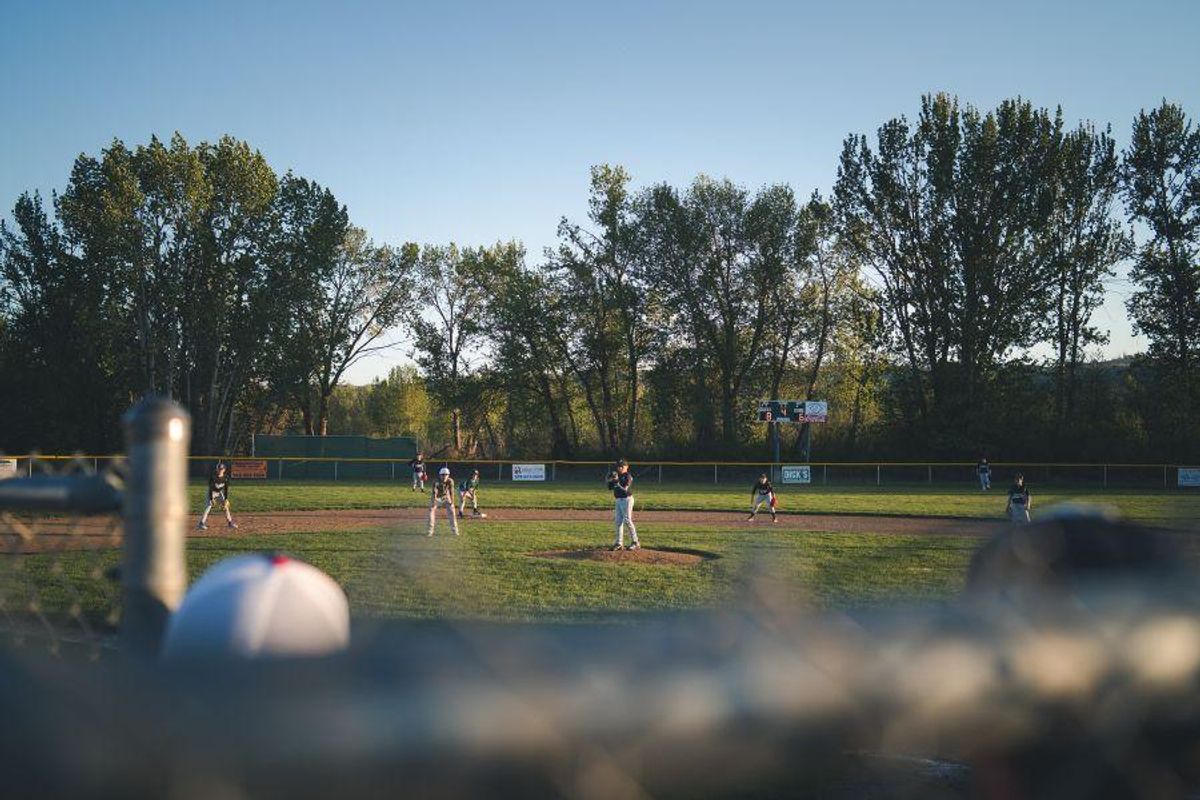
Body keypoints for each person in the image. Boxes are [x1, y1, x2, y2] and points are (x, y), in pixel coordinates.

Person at [606, 459, 640, 551]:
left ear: (626, 467)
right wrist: (610, 480)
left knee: (627, 520)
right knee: (618, 522)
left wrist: (617, 481)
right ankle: (619, 543)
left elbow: (625, 489)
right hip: (618, 500)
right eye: (618, 466)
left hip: (627, 499)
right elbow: (609, 487)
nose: (619, 468)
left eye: (622, 466)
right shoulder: (616, 475)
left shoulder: (628, 476)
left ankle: (635, 542)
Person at [198, 461, 238, 531]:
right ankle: (201, 523)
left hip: (219, 492)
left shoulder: (226, 477)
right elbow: (210, 488)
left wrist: (226, 499)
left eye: (221, 469)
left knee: (226, 507)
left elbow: (226, 489)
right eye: (219, 469)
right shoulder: (213, 477)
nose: (220, 470)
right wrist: (211, 498)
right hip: (211, 492)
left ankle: (230, 522)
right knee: (208, 506)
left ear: (224, 470)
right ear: (217, 469)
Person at [428, 466, 459, 537]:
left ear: (448, 475)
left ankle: (455, 531)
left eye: (446, 475)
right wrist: (434, 501)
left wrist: (452, 502)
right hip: (437, 497)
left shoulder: (450, 481)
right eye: (443, 475)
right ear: (440, 475)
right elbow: (434, 492)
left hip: (446, 496)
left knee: (452, 511)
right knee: (431, 510)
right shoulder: (436, 481)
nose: (444, 476)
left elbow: (451, 492)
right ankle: (430, 531)